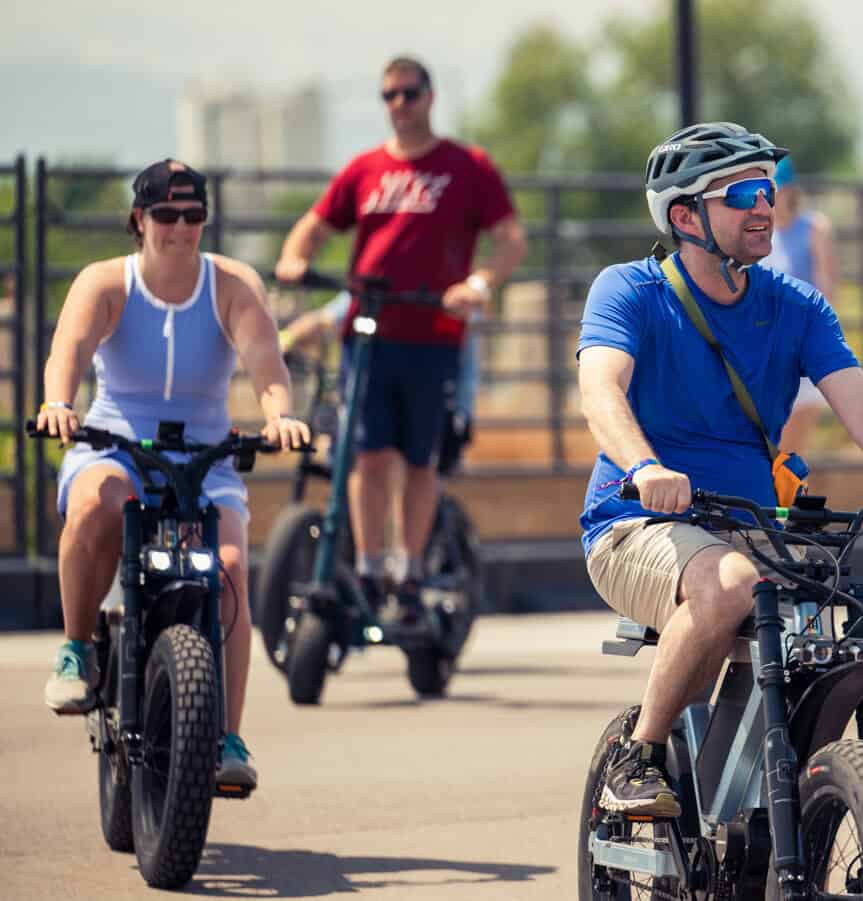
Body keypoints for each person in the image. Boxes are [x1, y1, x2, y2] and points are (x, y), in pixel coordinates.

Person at [577, 122, 863, 817]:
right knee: (731, 586)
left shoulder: (796, 307)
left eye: (770, 189)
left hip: (752, 528)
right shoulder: (628, 291)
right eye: (745, 193)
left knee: (837, 610)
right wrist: (645, 465)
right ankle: (640, 755)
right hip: (636, 522)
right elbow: (599, 387)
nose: (766, 205)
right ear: (685, 215)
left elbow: (862, 404)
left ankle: (787, 797)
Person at [39, 160, 311, 791]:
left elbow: (266, 367)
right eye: (166, 215)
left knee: (233, 568)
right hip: (113, 443)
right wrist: (59, 404)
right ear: (140, 219)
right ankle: (77, 647)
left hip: (204, 458)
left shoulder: (231, 285)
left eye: (194, 216)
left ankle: (227, 737)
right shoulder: (106, 283)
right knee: (96, 505)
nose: (181, 228)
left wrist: (281, 416)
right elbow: (69, 353)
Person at [274, 55, 524, 616]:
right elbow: (313, 226)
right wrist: (294, 257)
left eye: (409, 94)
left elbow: (510, 240)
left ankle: (407, 574)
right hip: (368, 333)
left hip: (434, 334)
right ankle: (367, 569)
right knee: (367, 455)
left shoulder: (467, 166)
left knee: (419, 460)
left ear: (429, 97)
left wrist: (479, 283)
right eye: (389, 96)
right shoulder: (364, 170)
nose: (399, 106)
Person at [278, 292, 480, 476]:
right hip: (375, 398)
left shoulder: (449, 298)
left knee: (416, 462)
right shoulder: (372, 290)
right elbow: (324, 320)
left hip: (432, 404)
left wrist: (462, 414)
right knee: (356, 440)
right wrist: (285, 339)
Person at [763, 156, 839, 455]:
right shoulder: (759, 233)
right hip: (764, 350)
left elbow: (828, 289)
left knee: (789, 454)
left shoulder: (814, 228)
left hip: (800, 348)